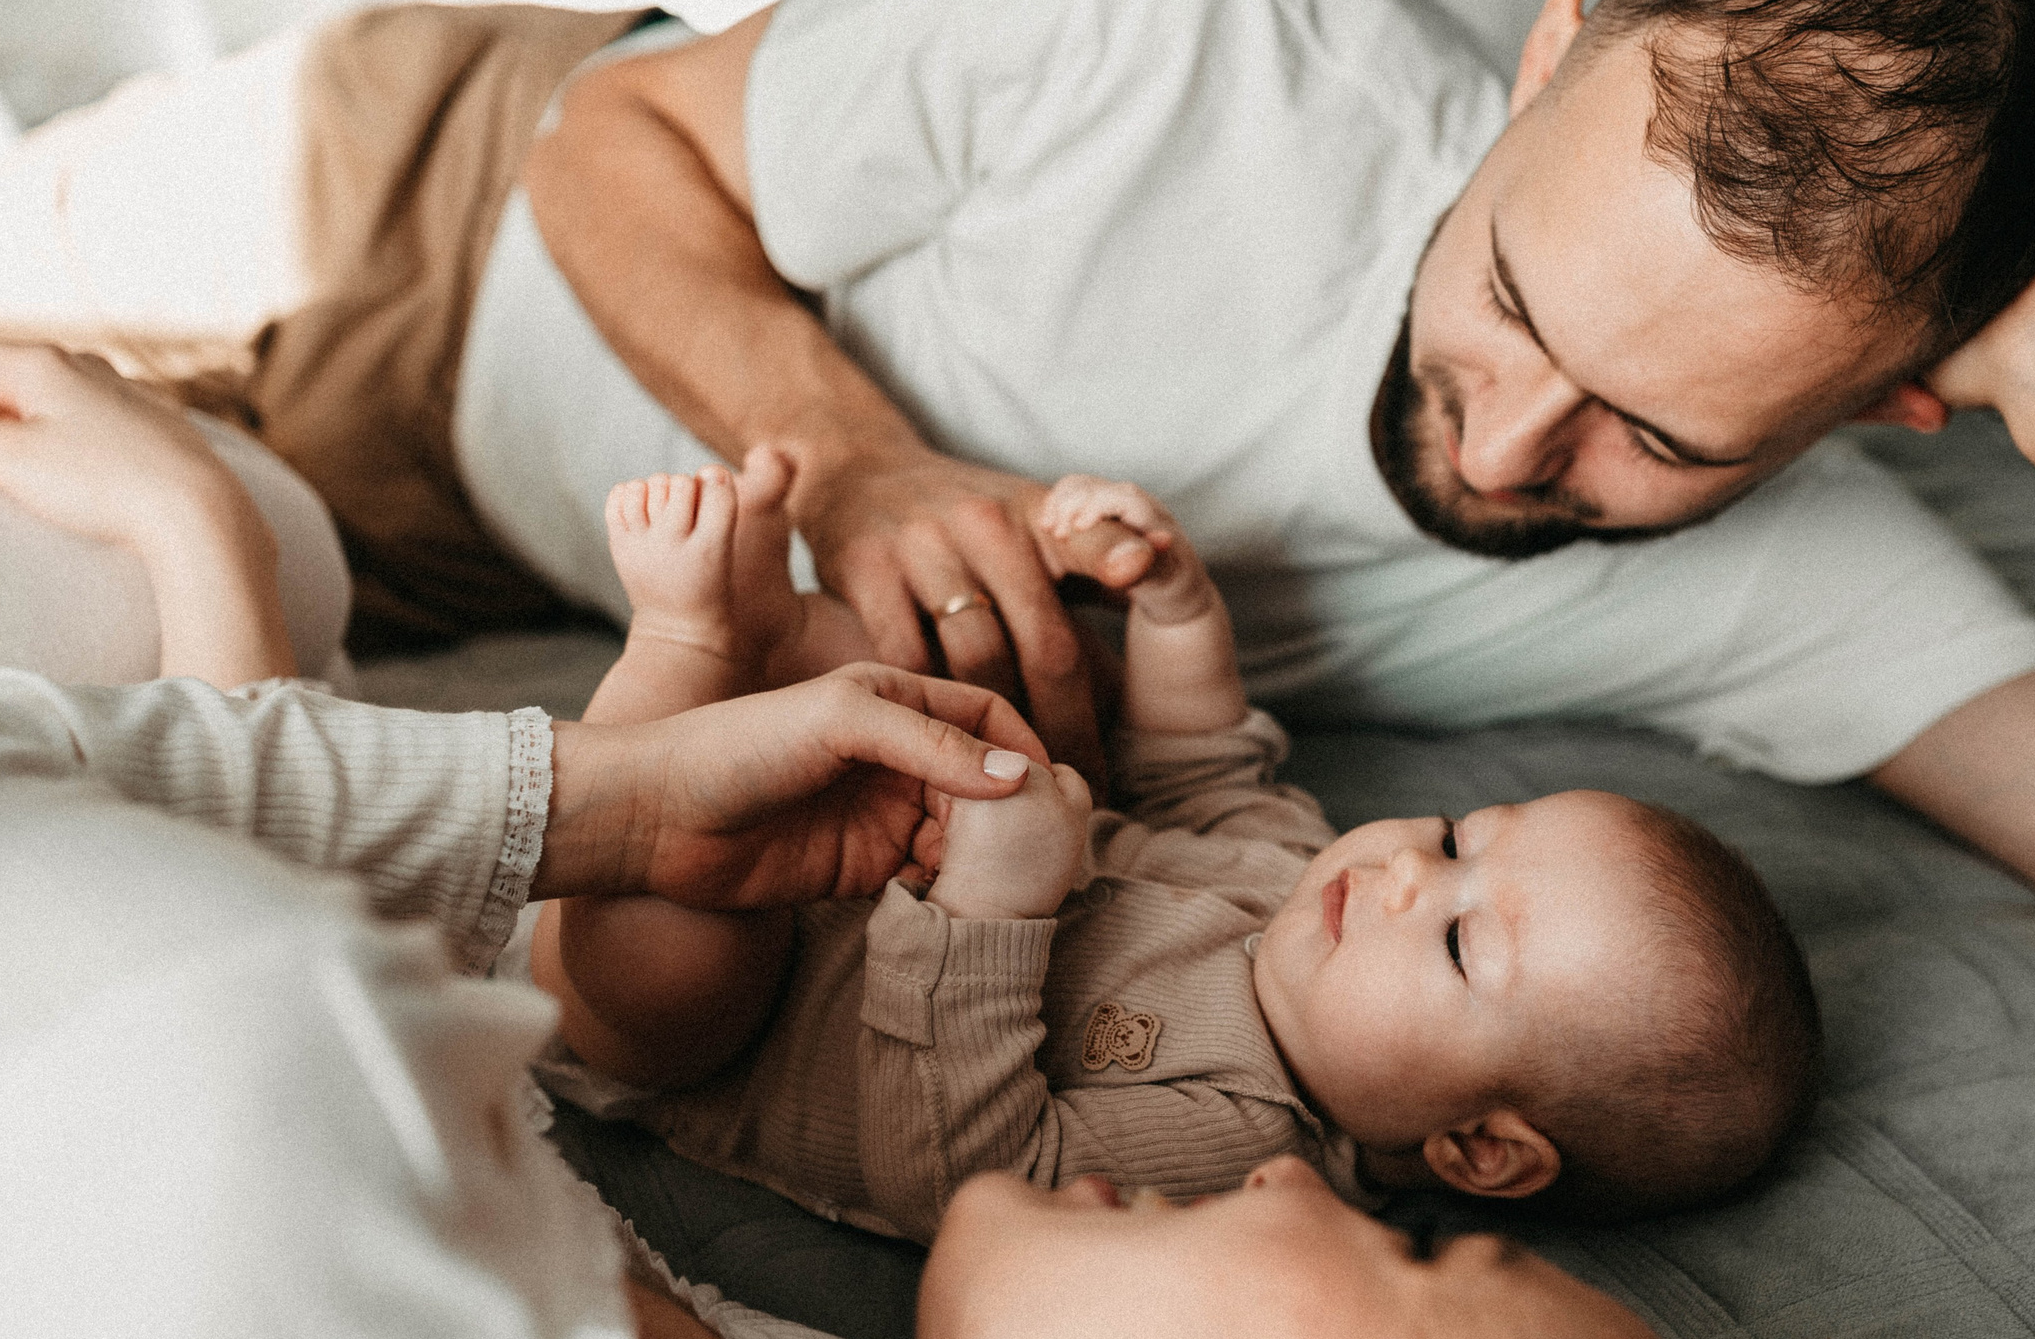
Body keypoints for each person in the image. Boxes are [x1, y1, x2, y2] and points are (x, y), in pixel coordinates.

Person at [0, 0, 2035, 1075]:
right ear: (1535, 61)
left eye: (1656, 436)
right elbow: (615, 149)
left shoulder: (1804, 581)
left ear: (1884, 406)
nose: (1500, 447)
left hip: (431, 569)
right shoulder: (1177, 0)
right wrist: (868, 465)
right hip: (419, 199)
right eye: (1509, 302)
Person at [0, 573, 1935, 1339]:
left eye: (1416, 1271)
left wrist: (587, 797)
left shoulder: (274, 1182)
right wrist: (614, 797)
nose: (1304, 1185)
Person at [535, 457, 1816, 1233]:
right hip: (852, 843)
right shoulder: (1298, 881)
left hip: (721, 1034)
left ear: (1478, 1147)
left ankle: (687, 641)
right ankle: (767, 635)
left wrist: (992, 911)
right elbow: (1205, 764)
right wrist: (1175, 610)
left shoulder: (1247, 1157)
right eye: (1456, 836)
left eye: (1460, 941)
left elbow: (966, 1183)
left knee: (680, 947)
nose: (1405, 873)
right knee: (888, 675)